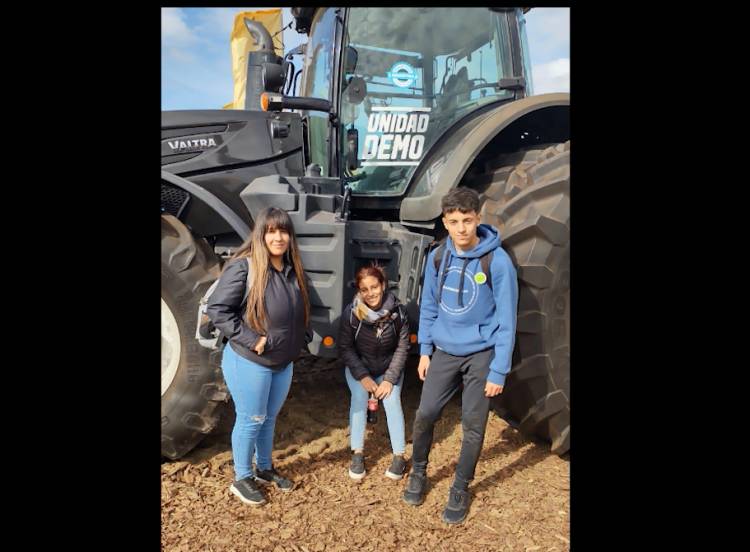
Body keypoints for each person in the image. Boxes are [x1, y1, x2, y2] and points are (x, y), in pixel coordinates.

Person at [402, 187, 519, 524]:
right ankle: (419, 472)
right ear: (445, 222)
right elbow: (428, 306)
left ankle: (460, 486)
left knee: (472, 426)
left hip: (481, 354)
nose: (462, 228)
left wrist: (499, 370)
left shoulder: (497, 262)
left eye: (467, 220)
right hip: (444, 351)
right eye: (454, 221)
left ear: (478, 219)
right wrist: (424, 350)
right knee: (426, 414)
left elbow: (507, 320)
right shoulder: (438, 256)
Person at [206, 207, 311, 506]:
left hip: (282, 363)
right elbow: (218, 310)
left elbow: (301, 308)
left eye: (283, 231)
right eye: (271, 231)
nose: (278, 237)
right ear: (261, 235)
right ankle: (242, 477)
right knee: (251, 419)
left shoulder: (292, 269)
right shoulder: (245, 268)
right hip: (250, 361)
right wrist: (254, 340)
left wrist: (303, 336)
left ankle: (264, 468)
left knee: (268, 419)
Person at [338, 264, 409, 481]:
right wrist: (363, 376)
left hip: (388, 368)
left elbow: (402, 347)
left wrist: (389, 379)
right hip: (361, 368)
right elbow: (346, 348)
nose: (371, 293)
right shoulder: (351, 314)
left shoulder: (398, 313)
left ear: (383, 285)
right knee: (359, 398)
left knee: (392, 399)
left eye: (374, 287)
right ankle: (357, 453)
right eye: (365, 289)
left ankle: (399, 455)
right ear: (359, 291)